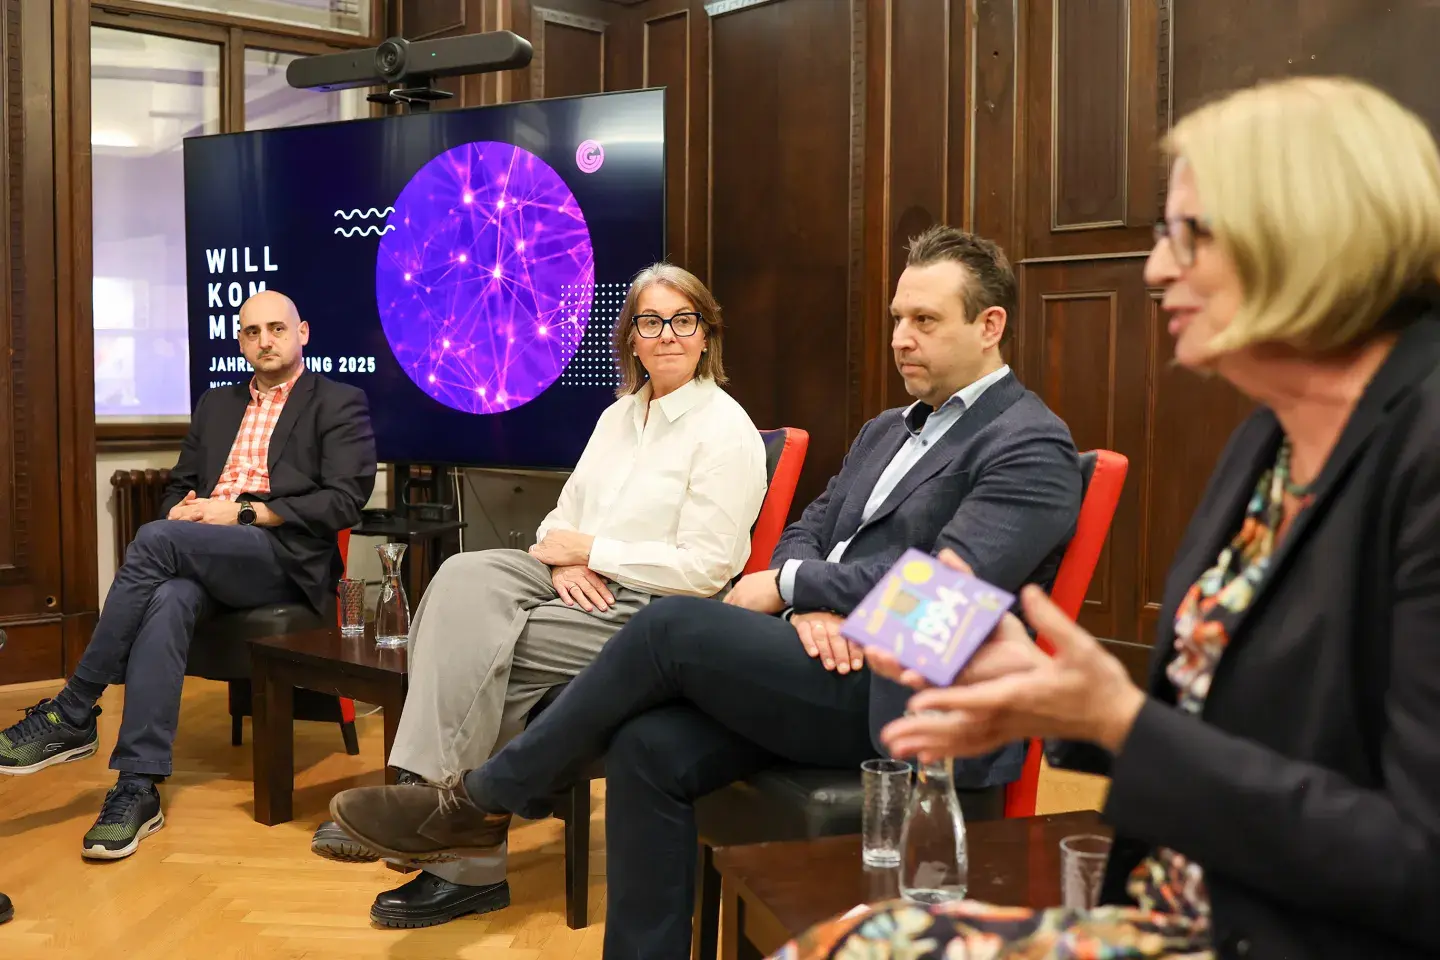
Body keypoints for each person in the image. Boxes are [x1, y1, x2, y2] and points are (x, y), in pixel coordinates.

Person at [768, 76, 1440, 960]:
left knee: (671, 642)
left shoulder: (1422, 450)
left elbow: (1419, 867)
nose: (1157, 268)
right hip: (1181, 903)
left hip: (1274, 935)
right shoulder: (1267, 441)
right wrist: (1081, 714)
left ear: (1313, 234)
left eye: (1186, 235)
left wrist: (1115, 721)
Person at [324, 226, 1085, 957]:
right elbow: (808, 528)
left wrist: (790, 585)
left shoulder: (1028, 444)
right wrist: (806, 596)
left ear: (990, 325)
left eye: (924, 320)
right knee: (646, 745)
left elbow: (943, 593)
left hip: (906, 692)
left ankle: (479, 803)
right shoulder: (889, 429)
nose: (900, 338)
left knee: (670, 629)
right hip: (818, 650)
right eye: (896, 318)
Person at [311, 263, 768, 929]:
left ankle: (454, 850)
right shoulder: (617, 418)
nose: (667, 334)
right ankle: (425, 797)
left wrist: (593, 553)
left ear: (706, 335)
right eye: (650, 321)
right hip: (573, 578)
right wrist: (561, 564)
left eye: (683, 320)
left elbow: (706, 569)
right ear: (631, 339)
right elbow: (561, 516)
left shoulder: (726, 431)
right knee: (462, 576)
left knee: (496, 646)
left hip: (659, 613)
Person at [0, 290, 377, 861]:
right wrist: (182, 509)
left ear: (303, 332)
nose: (264, 340)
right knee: (170, 595)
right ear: (241, 340)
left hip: (281, 558)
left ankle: (75, 709)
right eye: (252, 331)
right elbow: (180, 484)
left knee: (154, 541)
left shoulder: (338, 402)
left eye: (276, 328)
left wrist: (245, 511)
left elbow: (345, 501)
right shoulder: (217, 405)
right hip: (206, 549)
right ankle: (137, 787)